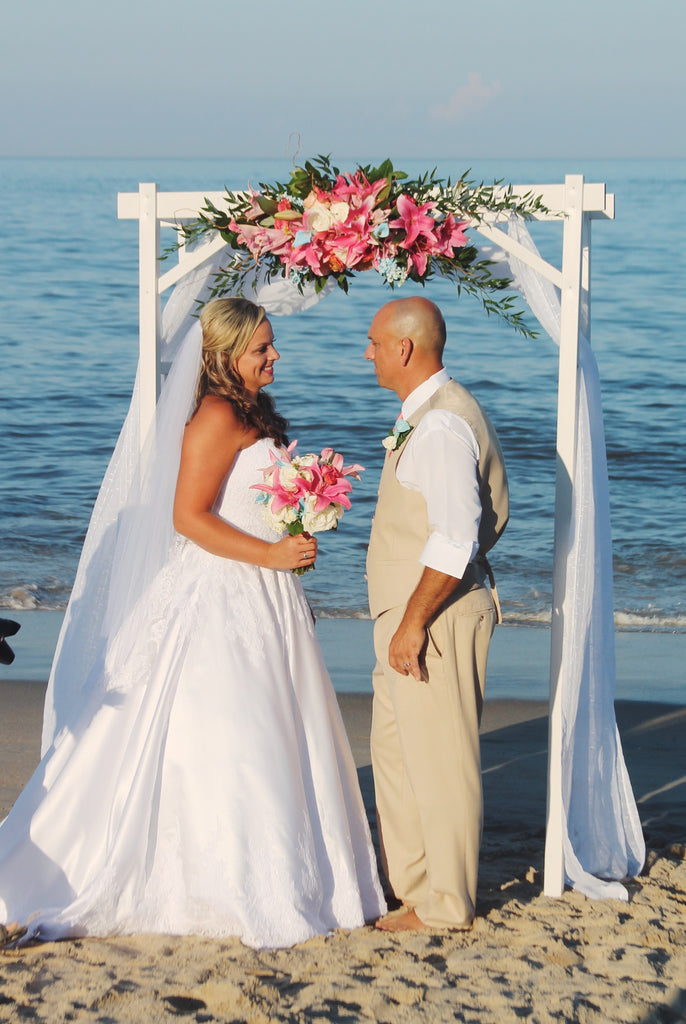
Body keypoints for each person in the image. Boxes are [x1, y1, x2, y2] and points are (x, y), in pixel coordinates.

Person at [0, 297, 385, 949]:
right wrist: (269, 551)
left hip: (266, 592)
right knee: (233, 732)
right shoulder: (214, 414)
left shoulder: (248, 412)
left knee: (277, 729)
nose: (275, 356)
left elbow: (244, 500)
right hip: (224, 593)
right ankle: (223, 884)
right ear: (224, 355)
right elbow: (188, 517)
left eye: (271, 344)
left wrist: (294, 527)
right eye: (262, 348)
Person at [364, 296, 508, 933]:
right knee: (399, 757)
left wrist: (415, 620)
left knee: (441, 762)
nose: (367, 353)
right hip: (416, 610)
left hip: (434, 615)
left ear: (403, 348)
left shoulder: (442, 426)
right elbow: (490, 520)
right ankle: (418, 892)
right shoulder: (428, 415)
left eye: (373, 342)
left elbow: (457, 535)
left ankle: (446, 904)